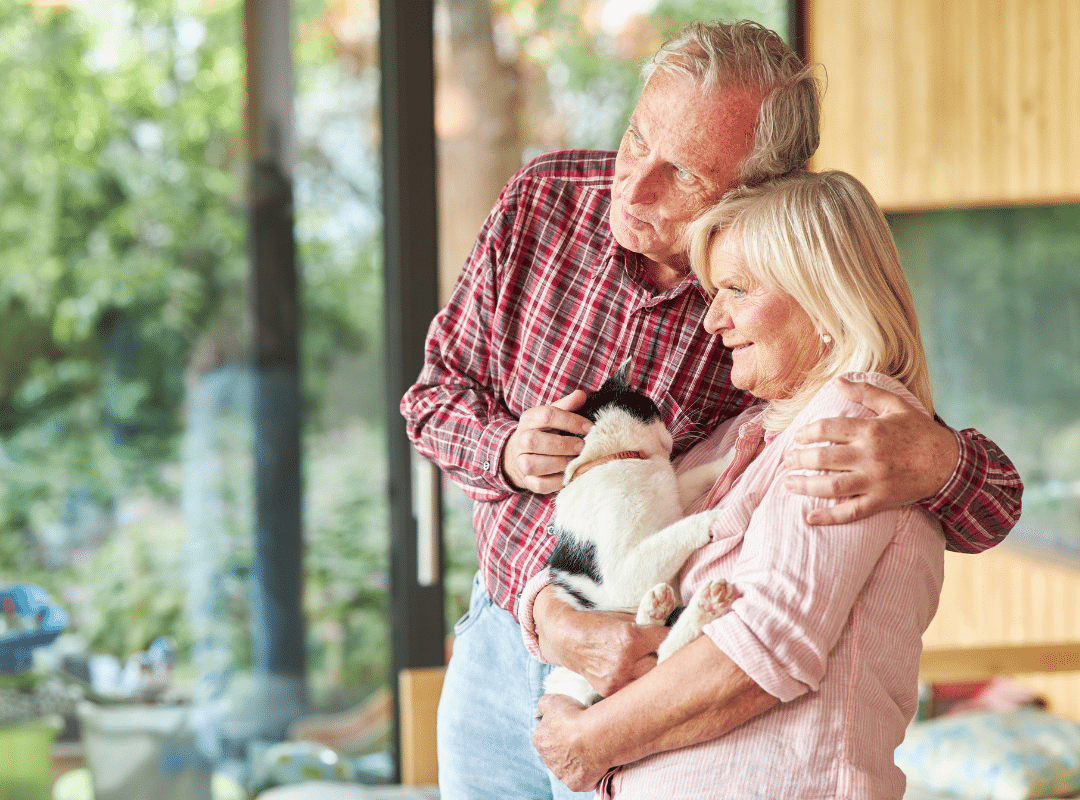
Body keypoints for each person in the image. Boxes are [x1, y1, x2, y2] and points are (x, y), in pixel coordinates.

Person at [400, 20, 1022, 800]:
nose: (634, 187)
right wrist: (504, 457)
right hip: (506, 631)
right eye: (636, 139)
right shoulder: (544, 201)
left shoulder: (778, 295)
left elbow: (966, 499)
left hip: (646, 672)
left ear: (760, 188)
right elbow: (431, 399)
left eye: (683, 173)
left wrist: (936, 459)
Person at [525, 169, 951, 798]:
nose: (712, 320)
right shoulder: (742, 435)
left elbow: (760, 652)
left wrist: (583, 742)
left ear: (824, 297)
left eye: (737, 290)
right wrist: (553, 617)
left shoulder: (856, 428)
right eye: (713, 292)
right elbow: (602, 558)